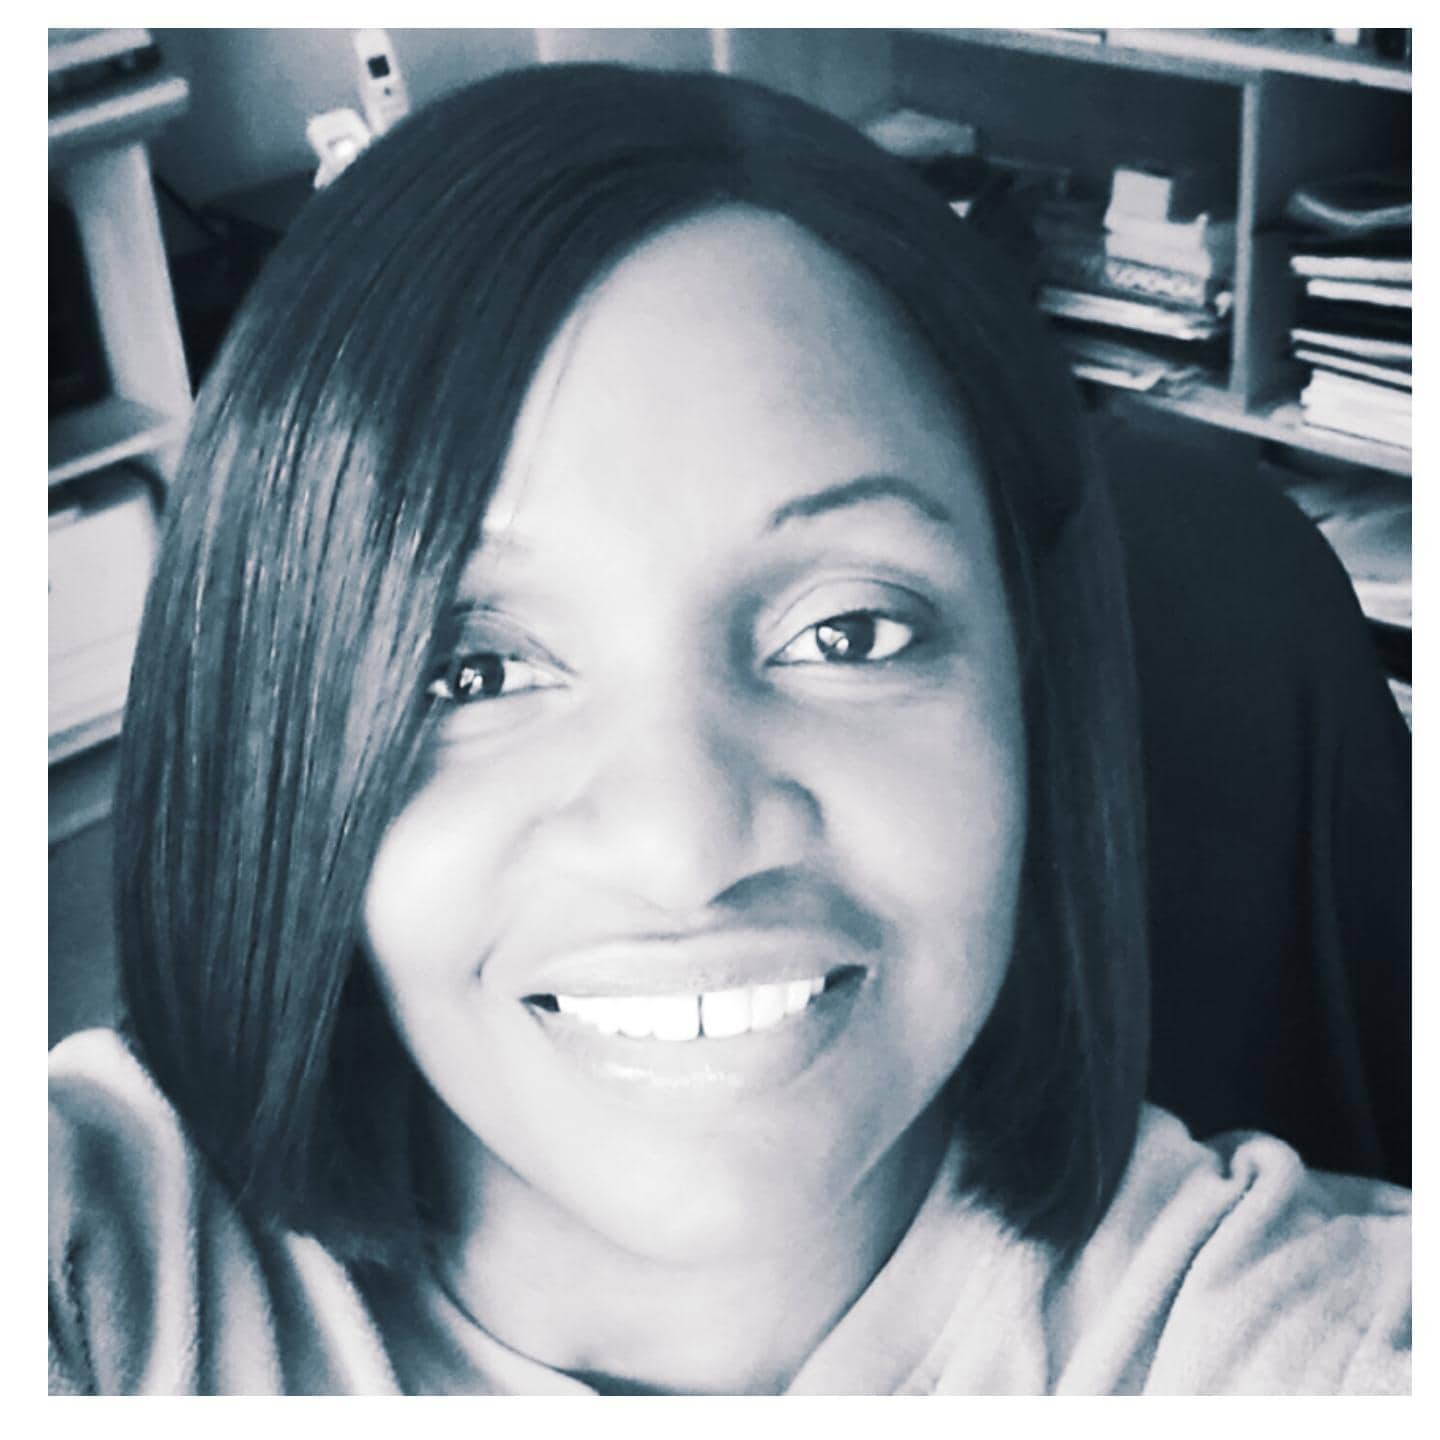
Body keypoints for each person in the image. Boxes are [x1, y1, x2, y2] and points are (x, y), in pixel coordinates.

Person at [48, 63, 1410, 1396]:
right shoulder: (95, 1267)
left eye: (850, 633)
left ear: (1034, 700)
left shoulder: (1304, 1345)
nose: (684, 842)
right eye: (465, 672)